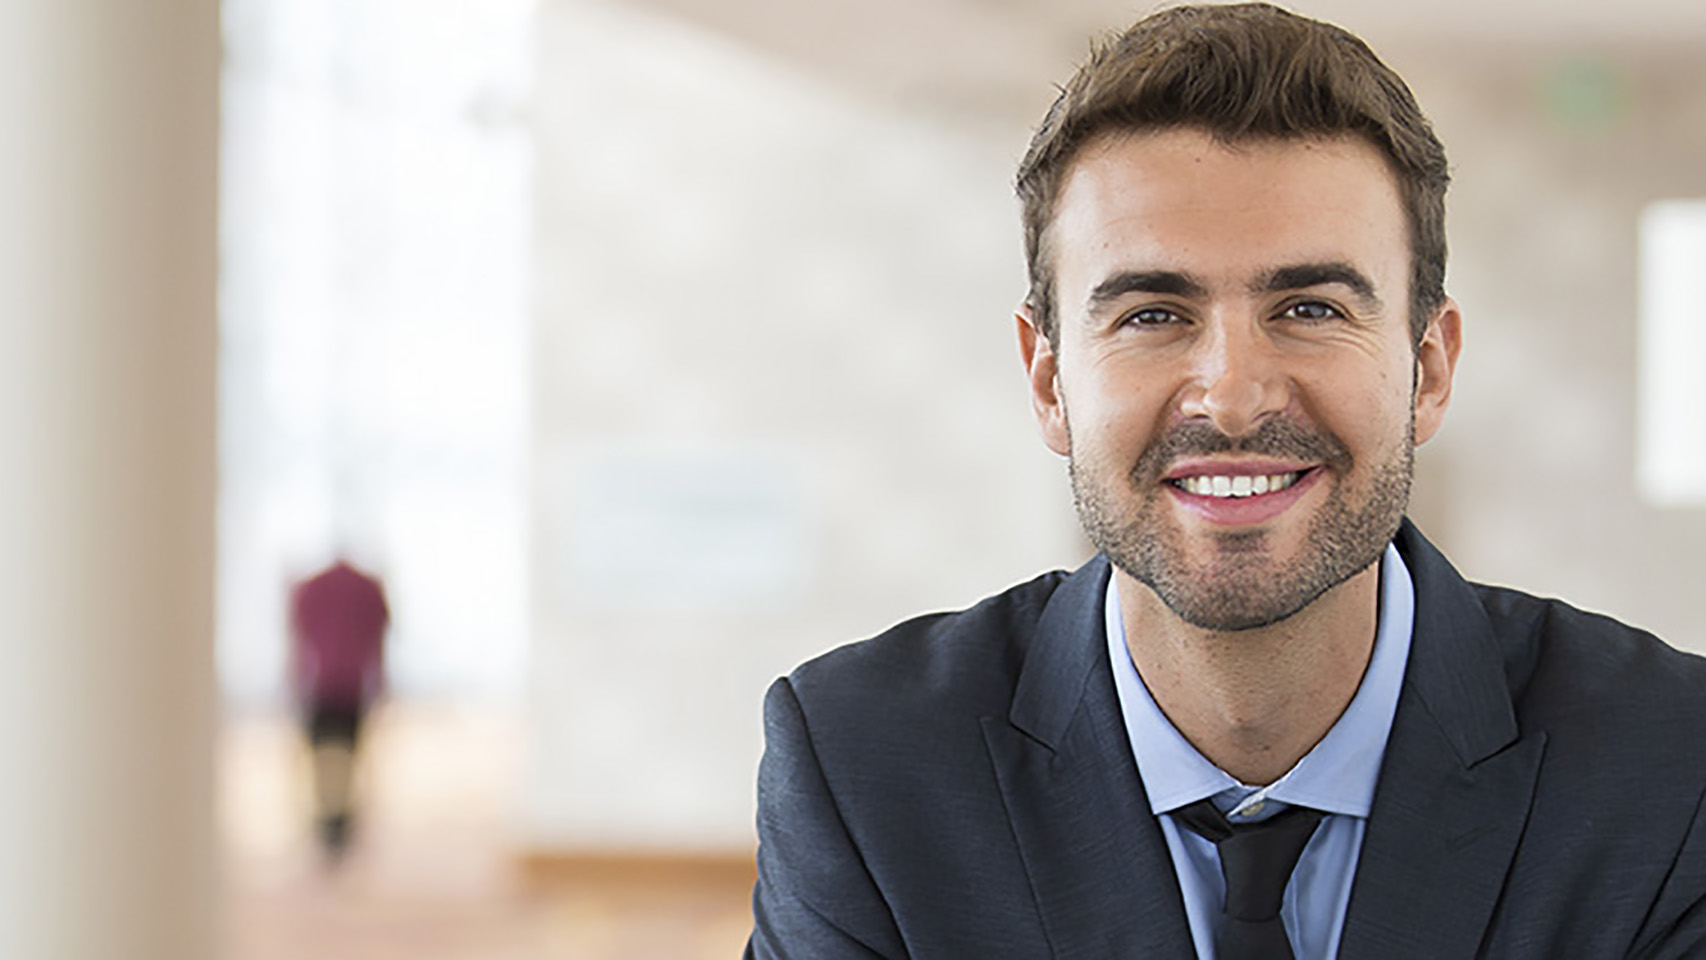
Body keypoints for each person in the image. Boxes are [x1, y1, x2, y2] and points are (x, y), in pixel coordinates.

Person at [745, 5, 1706, 958]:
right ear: (1048, 381)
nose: (1235, 399)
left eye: (1310, 308)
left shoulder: (1674, 767)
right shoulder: (865, 767)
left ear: (1428, 369)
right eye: (1153, 315)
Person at [289, 555, 390, 860]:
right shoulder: (363, 588)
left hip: (329, 686)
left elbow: (298, 639)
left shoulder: (315, 589)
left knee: (331, 763)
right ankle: (334, 831)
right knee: (339, 762)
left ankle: (335, 831)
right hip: (342, 686)